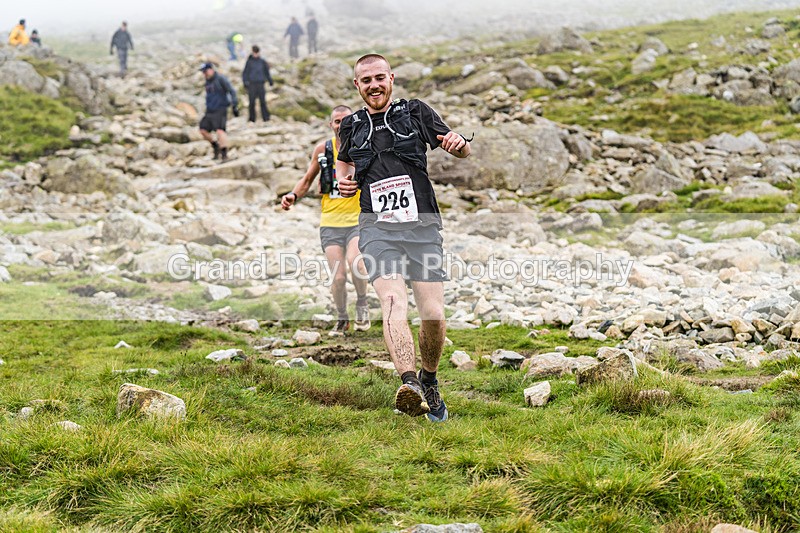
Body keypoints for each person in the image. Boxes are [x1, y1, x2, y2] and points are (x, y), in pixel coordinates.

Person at [336, 54, 472, 422]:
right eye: (366, 81)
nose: (374, 85)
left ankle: (429, 379)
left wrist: (459, 146)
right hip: (377, 229)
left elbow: (458, 146)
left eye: (379, 77)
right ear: (357, 86)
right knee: (394, 300)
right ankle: (409, 384)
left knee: (433, 313)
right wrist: (344, 182)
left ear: (391, 78)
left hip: (422, 227)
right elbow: (343, 165)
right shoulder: (349, 126)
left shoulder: (415, 113)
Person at [282, 106, 372, 337]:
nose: (341, 125)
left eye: (346, 120)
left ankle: (362, 302)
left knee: (357, 264)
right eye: (337, 121)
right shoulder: (323, 149)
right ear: (330, 125)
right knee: (339, 277)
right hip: (330, 223)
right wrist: (293, 195)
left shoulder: (363, 144)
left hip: (357, 221)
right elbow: (307, 178)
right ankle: (342, 317)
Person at [198, 62, 239, 162]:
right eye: (203, 72)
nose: (205, 74)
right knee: (203, 130)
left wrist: (234, 105)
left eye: (206, 71)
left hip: (220, 109)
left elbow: (231, 90)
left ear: (211, 69)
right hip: (210, 110)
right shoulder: (207, 82)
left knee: (220, 130)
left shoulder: (220, 79)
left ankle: (224, 154)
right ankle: (215, 145)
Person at [242, 45, 274, 122]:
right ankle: (252, 119)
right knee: (252, 102)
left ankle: (266, 118)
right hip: (252, 84)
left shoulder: (262, 61)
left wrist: (270, 81)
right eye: (254, 52)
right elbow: (245, 73)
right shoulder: (249, 62)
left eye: (257, 52)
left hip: (260, 84)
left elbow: (266, 72)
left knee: (262, 101)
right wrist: (245, 82)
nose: (256, 54)